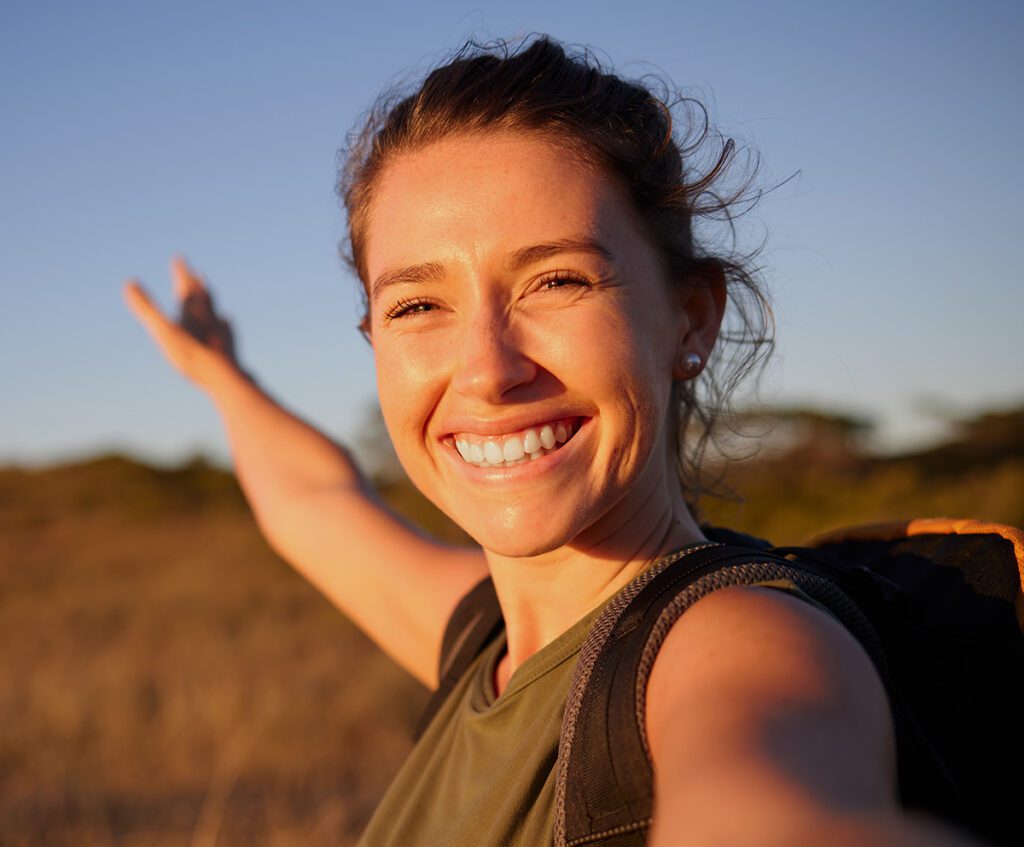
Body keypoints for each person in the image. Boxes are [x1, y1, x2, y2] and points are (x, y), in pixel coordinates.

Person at [123, 37, 983, 847]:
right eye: (418, 305)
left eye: (556, 280)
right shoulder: (485, 640)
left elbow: (772, 809)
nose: (487, 370)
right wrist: (220, 376)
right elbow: (315, 503)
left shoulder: (739, 643)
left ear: (691, 316)